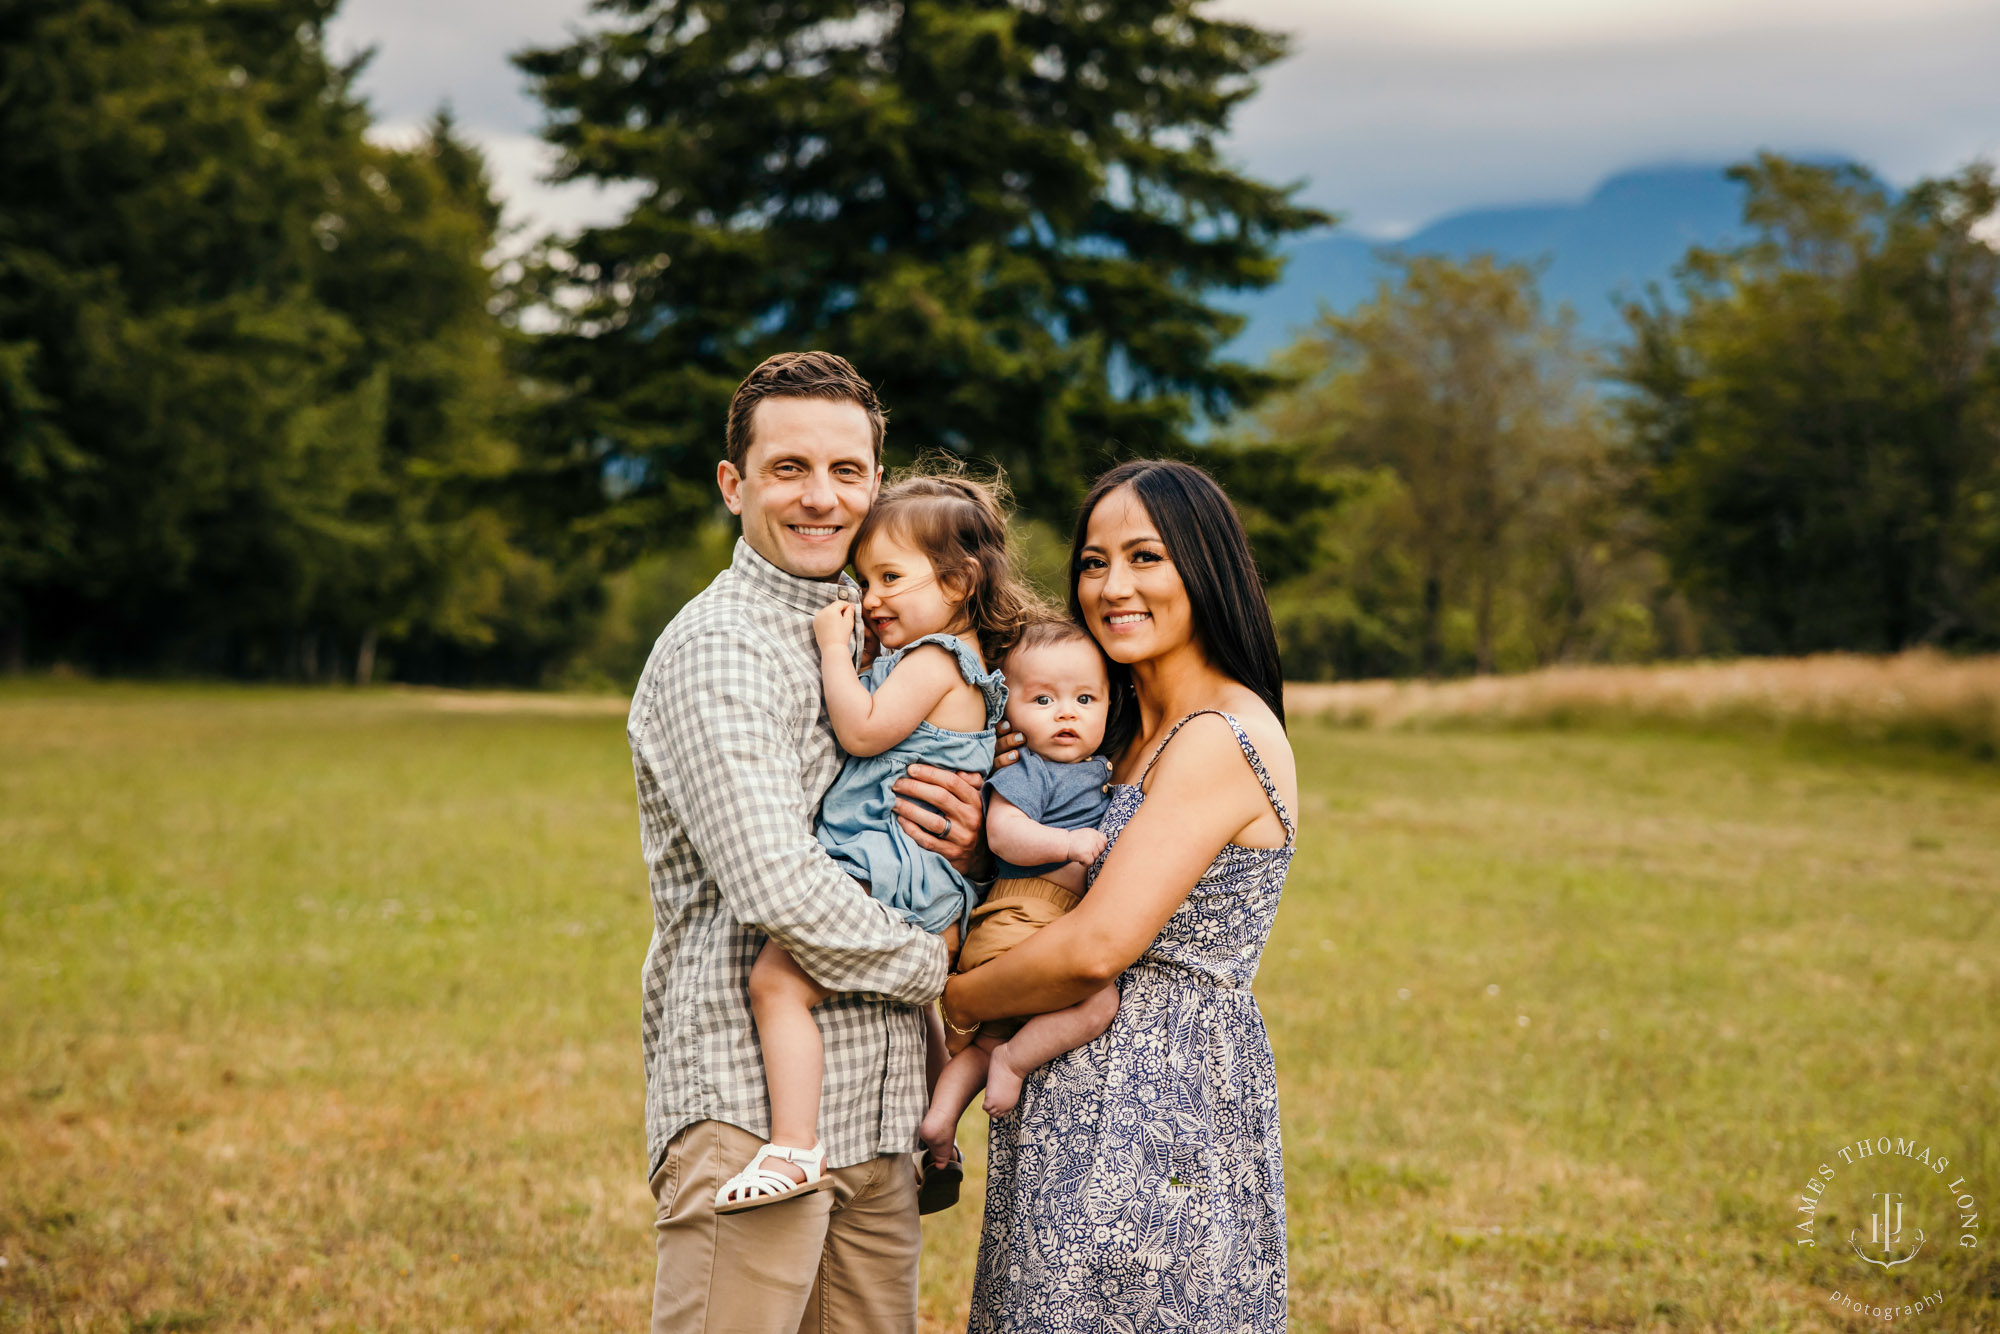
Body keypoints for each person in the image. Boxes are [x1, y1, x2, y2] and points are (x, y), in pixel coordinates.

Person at [626, 352, 1008, 1334]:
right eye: (787, 467)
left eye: (846, 470)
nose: (819, 496)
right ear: (734, 484)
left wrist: (963, 850)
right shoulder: (724, 647)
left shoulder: (881, 632)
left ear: (876, 483)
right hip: (754, 1112)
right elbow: (776, 883)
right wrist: (939, 960)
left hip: (877, 1116)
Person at [943, 459, 1299, 1333]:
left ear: (1204, 567)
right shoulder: (1125, 738)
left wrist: (947, 1000)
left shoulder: (1221, 735)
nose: (1113, 586)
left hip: (1161, 1107)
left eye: (1145, 557)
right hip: (1071, 1090)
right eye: (1094, 562)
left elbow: (1096, 948)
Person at [715, 473, 1035, 1216]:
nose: (870, 599)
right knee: (920, 1011)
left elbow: (860, 730)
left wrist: (833, 648)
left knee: (775, 983)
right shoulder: (950, 661)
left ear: (958, 582)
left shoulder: (934, 662)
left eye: (891, 578)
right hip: (917, 870)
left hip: (891, 862)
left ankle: (793, 1143)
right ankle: (937, 1138)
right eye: (864, 580)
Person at [918, 619, 1120, 1170]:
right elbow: (1003, 832)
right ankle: (1015, 1060)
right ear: (1009, 710)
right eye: (1043, 699)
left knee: (982, 1043)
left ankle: (939, 1120)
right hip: (1024, 914)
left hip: (1032, 922)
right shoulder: (1030, 770)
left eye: (1084, 698)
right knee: (1098, 1000)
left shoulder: (1095, 767)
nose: (1066, 713)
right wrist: (1068, 843)